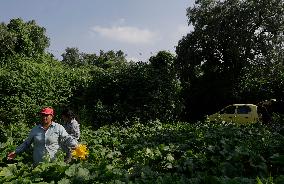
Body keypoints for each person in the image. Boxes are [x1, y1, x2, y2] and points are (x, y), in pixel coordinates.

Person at [7, 107, 78, 166]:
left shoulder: (58, 127)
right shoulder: (35, 130)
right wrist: (16, 152)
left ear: (51, 116)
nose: (44, 117)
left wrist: (75, 146)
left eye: (47, 115)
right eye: (43, 115)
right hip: (39, 164)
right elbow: (26, 143)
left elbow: (67, 138)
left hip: (54, 163)